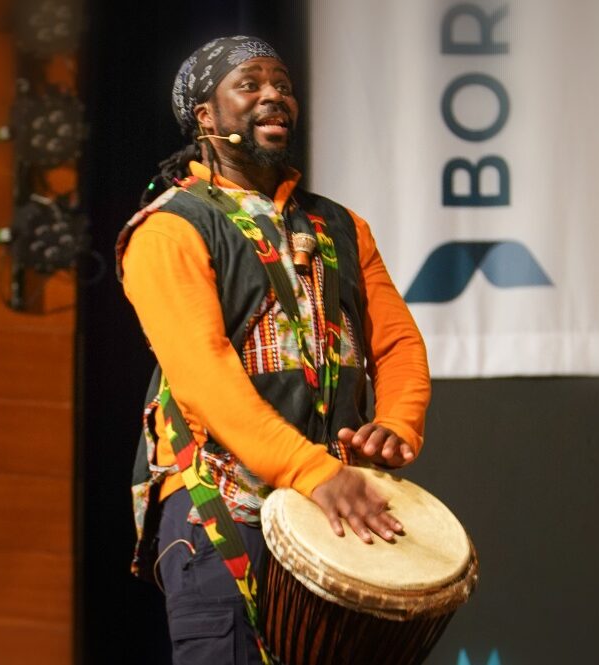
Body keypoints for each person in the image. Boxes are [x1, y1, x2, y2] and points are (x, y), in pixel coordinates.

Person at [116, 35, 431, 664]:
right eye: (250, 84)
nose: (274, 97)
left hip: (334, 503)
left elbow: (396, 342)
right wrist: (313, 473)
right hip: (221, 506)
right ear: (205, 116)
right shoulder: (169, 226)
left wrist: (398, 423)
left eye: (282, 85)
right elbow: (204, 374)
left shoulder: (340, 225)